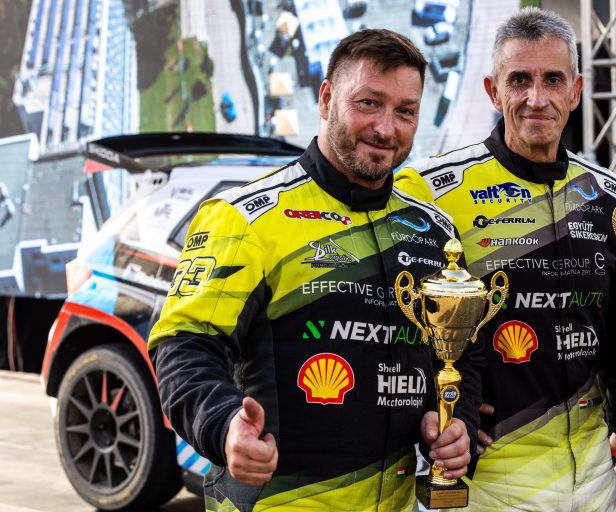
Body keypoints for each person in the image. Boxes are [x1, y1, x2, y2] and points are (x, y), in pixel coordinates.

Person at [148, 28, 480, 511]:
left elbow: (461, 359)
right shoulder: (244, 217)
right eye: (368, 103)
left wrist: (455, 422)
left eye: (405, 111)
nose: (385, 128)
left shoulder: (435, 232)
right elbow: (183, 345)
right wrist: (223, 426)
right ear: (326, 99)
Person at [394, 8, 616, 510]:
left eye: (553, 80)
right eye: (519, 80)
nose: (536, 98)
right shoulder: (430, 190)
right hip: (486, 483)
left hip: (594, 479)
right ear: (492, 90)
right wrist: (446, 413)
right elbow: (398, 332)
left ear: (576, 91)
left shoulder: (607, 195)